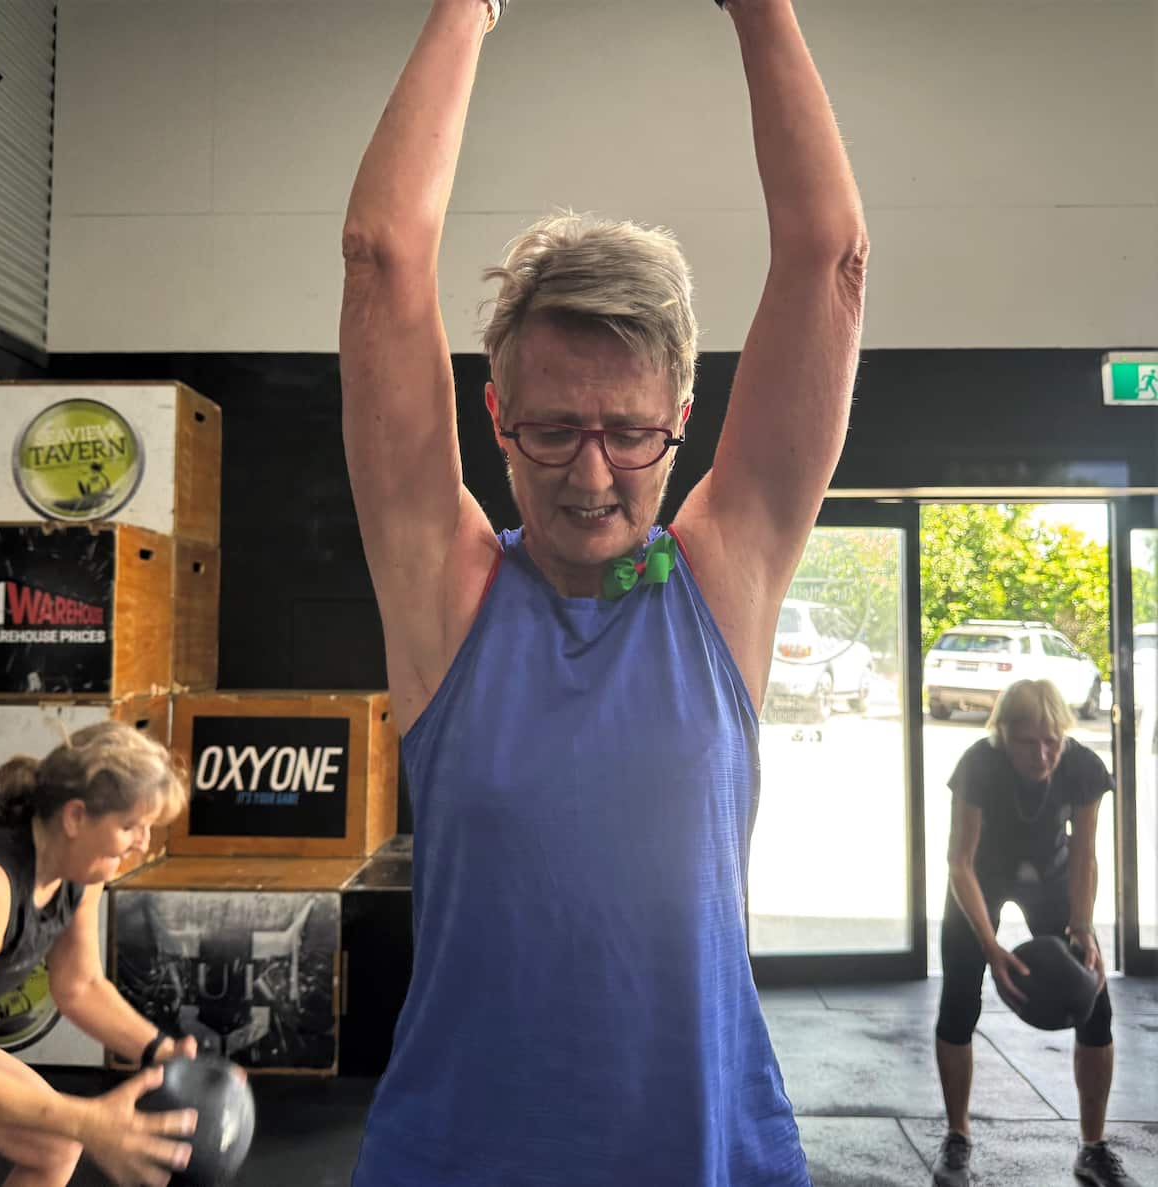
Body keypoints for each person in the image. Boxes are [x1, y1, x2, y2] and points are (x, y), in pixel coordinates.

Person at [340, 0, 866, 1182]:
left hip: (701, 1155)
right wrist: (466, 11)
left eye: (629, 432)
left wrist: (759, 9)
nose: (589, 474)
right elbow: (381, 255)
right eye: (551, 428)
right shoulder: (447, 596)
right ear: (494, 417)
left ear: (683, 418)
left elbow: (827, 254)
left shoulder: (719, 581)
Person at [0, 721, 201, 1187]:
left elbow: (80, 986)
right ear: (75, 818)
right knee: (67, 1127)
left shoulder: (81, 872)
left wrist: (161, 1051)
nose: (142, 843)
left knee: (53, 1142)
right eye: (130, 825)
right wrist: (87, 1118)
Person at [932, 679, 1140, 1187]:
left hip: (1052, 873)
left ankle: (1092, 1149)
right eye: (1027, 741)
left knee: (1096, 1006)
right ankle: (957, 1138)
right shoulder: (979, 765)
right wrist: (990, 946)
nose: (1043, 752)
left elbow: (1086, 855)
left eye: (1052, 739)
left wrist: (1083, 927)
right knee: (960, 1001)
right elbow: (959, 862)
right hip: (980, 877)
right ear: (1002, 734)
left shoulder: (1082, 767)